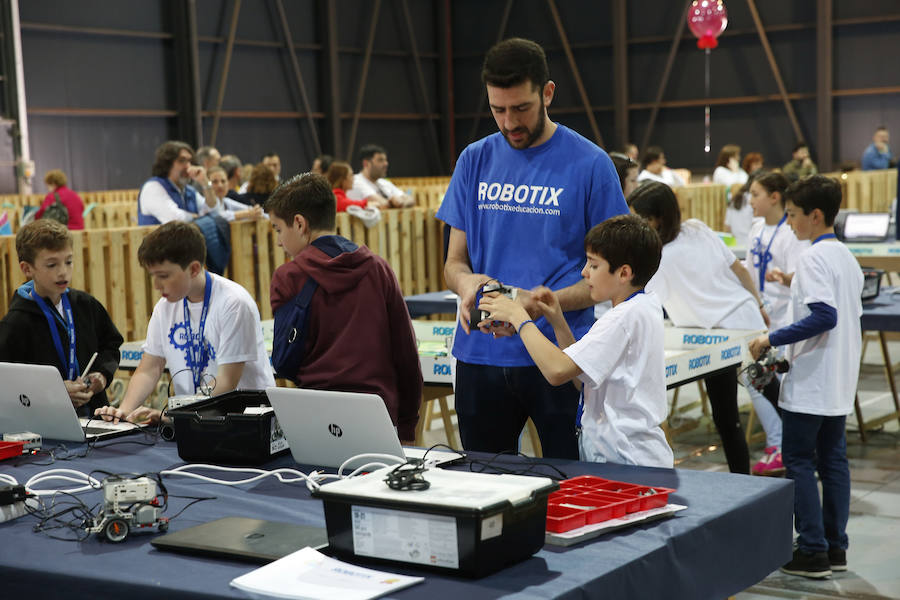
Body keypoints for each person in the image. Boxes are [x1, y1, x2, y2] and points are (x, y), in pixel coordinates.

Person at [436, 37, 628, 459]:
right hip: (480, 357)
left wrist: (533, 305)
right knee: (485, 493)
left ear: (547, 93)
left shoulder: (591, 165)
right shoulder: (474, 160)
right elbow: (453, 263)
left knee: (573, 490)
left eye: (520, 108)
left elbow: (614, 282)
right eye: (497, 110)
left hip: (562, 360)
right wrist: (467, 284)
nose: (508, 123)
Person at [477, 215, 672, 468]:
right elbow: (580, 376)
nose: (584, 273)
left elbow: (557, 371)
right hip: (629, 456)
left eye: (593, 265)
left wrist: (518, 317)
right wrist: (557, 319)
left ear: (624, 273)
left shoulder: (621, 318)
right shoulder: (643, 306)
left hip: (627, 460)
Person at [749, 175, 863, 578]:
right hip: (837, 379)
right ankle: (835, 547)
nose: (792, 222)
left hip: (813, 378)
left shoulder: (812, 258)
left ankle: (812, 549)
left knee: (798, 459)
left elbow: (824, 316)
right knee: (833, 461)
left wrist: (771, 338)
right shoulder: (845, 257)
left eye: (795, 215)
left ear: (816, 216)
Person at [630, 182, 773, 475]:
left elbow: (640, 303)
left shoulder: (660, 256)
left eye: (637, 217)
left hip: (724, 333)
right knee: (740, 412)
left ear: (655, 219)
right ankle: (751, 480)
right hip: (736, 323)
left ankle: (788, 464)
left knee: (761, 405)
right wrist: (760, 305)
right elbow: (740, 269)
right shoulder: (697, 228)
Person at [266, 174, 422, 442]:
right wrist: (407, 424)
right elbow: (406, 353)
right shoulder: (377, 268)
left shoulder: (288, 277)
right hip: (377, 414)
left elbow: (283, 360)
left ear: (300, 223)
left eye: (278, 229)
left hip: (315, 414)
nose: (279, 241)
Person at [95, 221, 274, 424]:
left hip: (245, 420)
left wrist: (174, 417)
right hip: (196, 422)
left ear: (194, 269)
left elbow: (227, 382)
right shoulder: (165, 307)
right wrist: (124, 411)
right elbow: (149, 368)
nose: (155, 285)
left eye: (163, 276)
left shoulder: (233, 303)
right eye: (152, 276)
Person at [0, 220, 122, 416]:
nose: (63, 271)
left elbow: (110, 345)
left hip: (96, 417)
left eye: (68, 261)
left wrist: (101, 376)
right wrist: (53, 392)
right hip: (45, 426)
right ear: (27, 269)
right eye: (51, 264)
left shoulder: (86, 305)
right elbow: (8, 383)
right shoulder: (16, 323)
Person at [744, 172, 810, 475]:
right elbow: (748, 270)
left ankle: (784, 446)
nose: (750, 201)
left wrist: (785, 278)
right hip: (761, 317)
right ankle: (777, 444)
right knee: (755, 379)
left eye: (756, 194)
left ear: (774, 197)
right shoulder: (756, 228)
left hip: (785, 319)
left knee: (778, 384)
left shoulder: (790, 232)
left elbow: (804, 275)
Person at [137, 141, 216, 225]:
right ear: (167, 164)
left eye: (190, 161)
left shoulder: (189, 190)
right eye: (182, 161)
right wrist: (202, 217)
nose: (188, 166)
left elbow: (214, 211)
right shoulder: (152, 187)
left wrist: (206, 183)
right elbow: (174, 219)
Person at [348, 144, 413, 208]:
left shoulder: (384, 182)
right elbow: (382, 203)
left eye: (385, 160)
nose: (386, 164)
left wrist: (401, 203)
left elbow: (410, 199)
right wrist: (397, 202)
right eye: (380, 160)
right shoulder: (355, 181)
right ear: (366, 163)